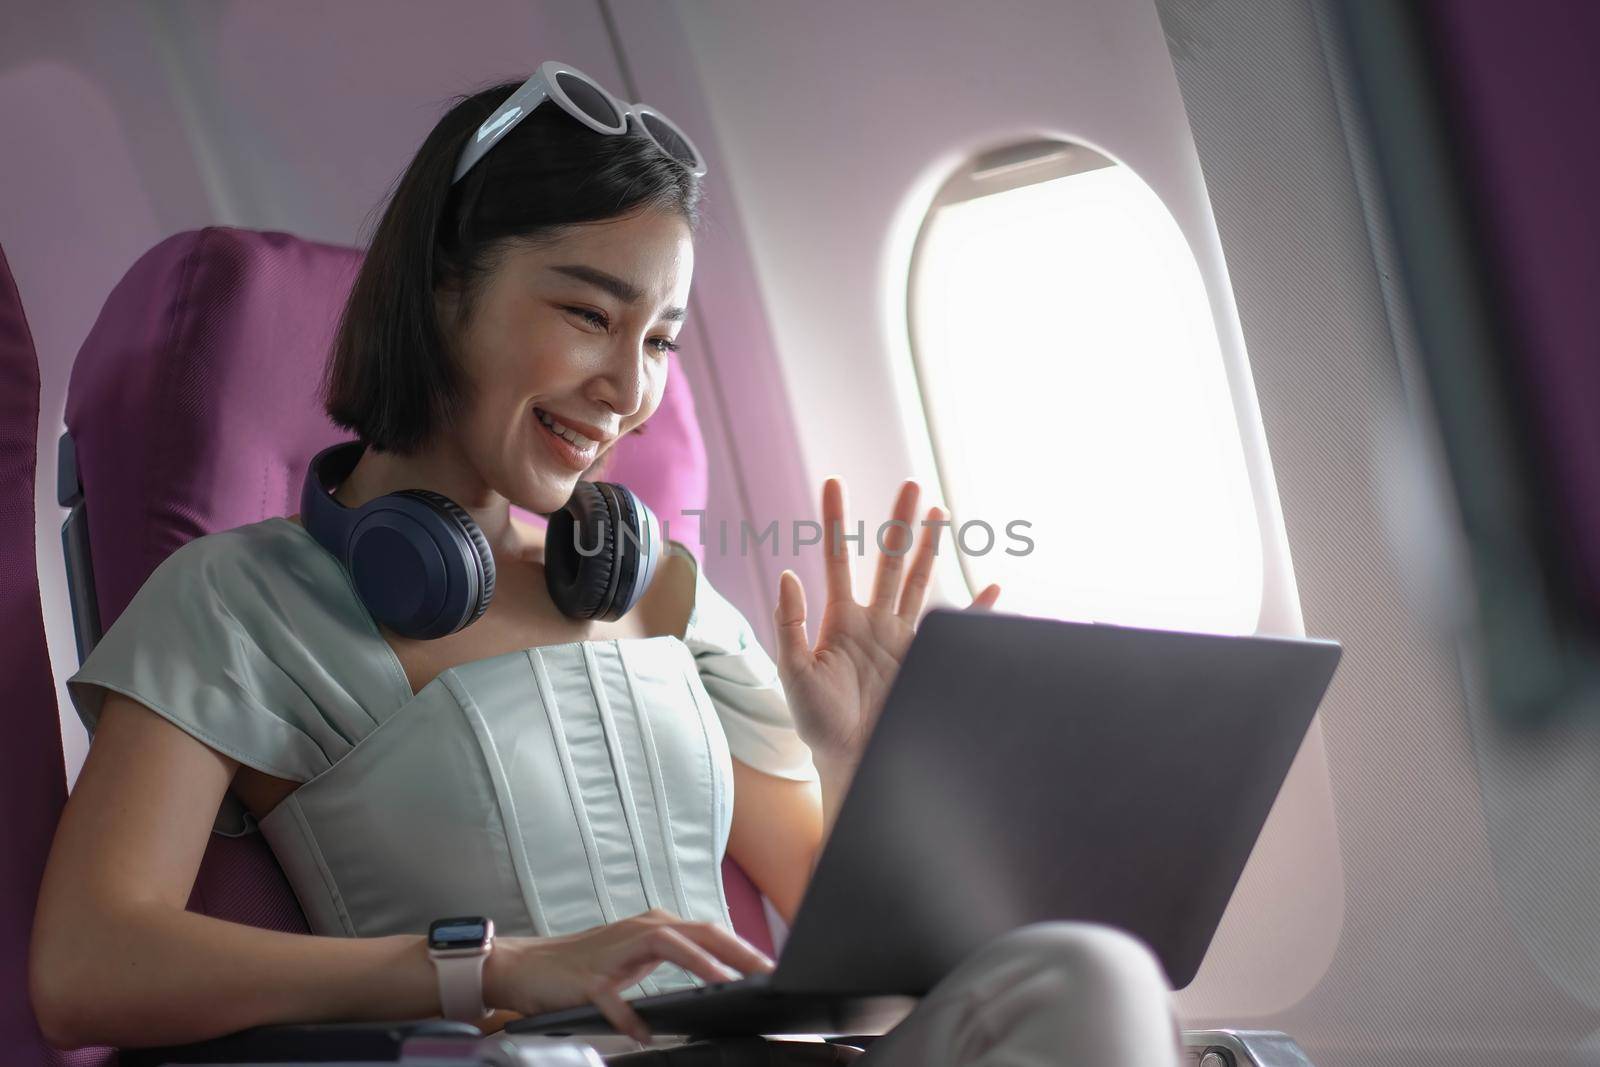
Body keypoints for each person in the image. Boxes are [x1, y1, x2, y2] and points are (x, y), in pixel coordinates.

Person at [29, 64, 1181, 1065]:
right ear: (441, 290)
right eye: (589, 314)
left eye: (662, 341)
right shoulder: (242, 600)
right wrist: (488, 968)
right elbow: (88, 963)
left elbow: (840, 937)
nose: (630, 390)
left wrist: (851, 761)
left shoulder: (664, 590)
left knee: (1082, 970)